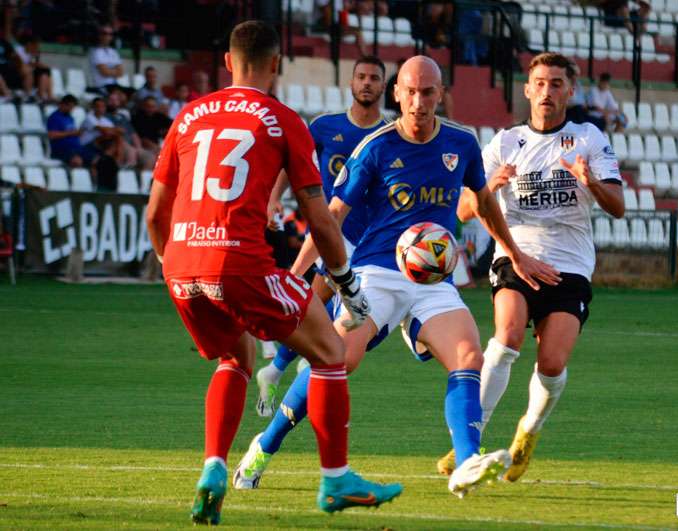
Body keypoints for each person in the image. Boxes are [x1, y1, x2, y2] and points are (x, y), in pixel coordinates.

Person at [235, 55, 561, 498]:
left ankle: (466, 462)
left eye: (428, 92)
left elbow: (483, 201)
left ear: (440, 94)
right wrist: (294, 276)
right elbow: (331, 216)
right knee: (338, 360)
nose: (419, 101)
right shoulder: (376, 147)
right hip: (376, 274)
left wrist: (515, 253)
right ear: (397, 94)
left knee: (468, 356)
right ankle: (264, 445)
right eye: (411, 91)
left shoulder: (461, 143)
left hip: (433, 281)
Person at [145, 20, 401, 524]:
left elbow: (156, 213)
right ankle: (335, 480)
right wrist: (347, 283)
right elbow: (321, 218)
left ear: (227, 62)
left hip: (180, 263)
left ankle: (214, 467)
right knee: (329, 350)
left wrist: (172, 262)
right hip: (238, 260)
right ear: (276, 64)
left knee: (234, 356)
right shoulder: (283, 119)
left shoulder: (190, 115)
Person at [440, 52, 625, 481]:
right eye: (539, 83)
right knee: (505, 339)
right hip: (515, 256)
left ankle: (528, 431)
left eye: (556, 83)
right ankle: (469, 443)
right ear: (527, 89)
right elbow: (466, 209)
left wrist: (589, 181)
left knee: (552, 364)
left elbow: (617, 207)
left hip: (570, 266)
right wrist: (490, 186)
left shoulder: (588, 139)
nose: (546, 91)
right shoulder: (504, 142)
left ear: (570, 90)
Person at [253, 55, 390, 419]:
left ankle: (278, 367)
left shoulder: (391, 134)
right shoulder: (325, 126)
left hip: (372, 239)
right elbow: (291, 163)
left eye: (373, 78)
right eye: (361, 77)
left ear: (384, 86)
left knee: (334, 316)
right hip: (331, 232)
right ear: (351, 82)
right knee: (323, 301)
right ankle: (289, 368)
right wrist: (272, 198)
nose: (366, 83)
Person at [46, 94, 83, 167]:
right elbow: (52, 135)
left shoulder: (70, 118)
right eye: (70, 106)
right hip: (61, 149)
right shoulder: (54, 118)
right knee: (77, 161)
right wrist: (71, 133)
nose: (71, 109)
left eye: (73, 107)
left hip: (75, 148)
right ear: (63, 105)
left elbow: (73, 132)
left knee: (97, 159)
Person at [88, 24, 123, 93]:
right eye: (104, 33)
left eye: (110, 34)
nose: (107, 36)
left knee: (133, 93)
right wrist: (114, 70)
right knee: (121, 96)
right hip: (101, 86)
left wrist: (109, 70)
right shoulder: (95, 52)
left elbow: (120, 72)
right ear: (99, 35)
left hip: (114, 85)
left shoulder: (113, 52)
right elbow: (104, 72)